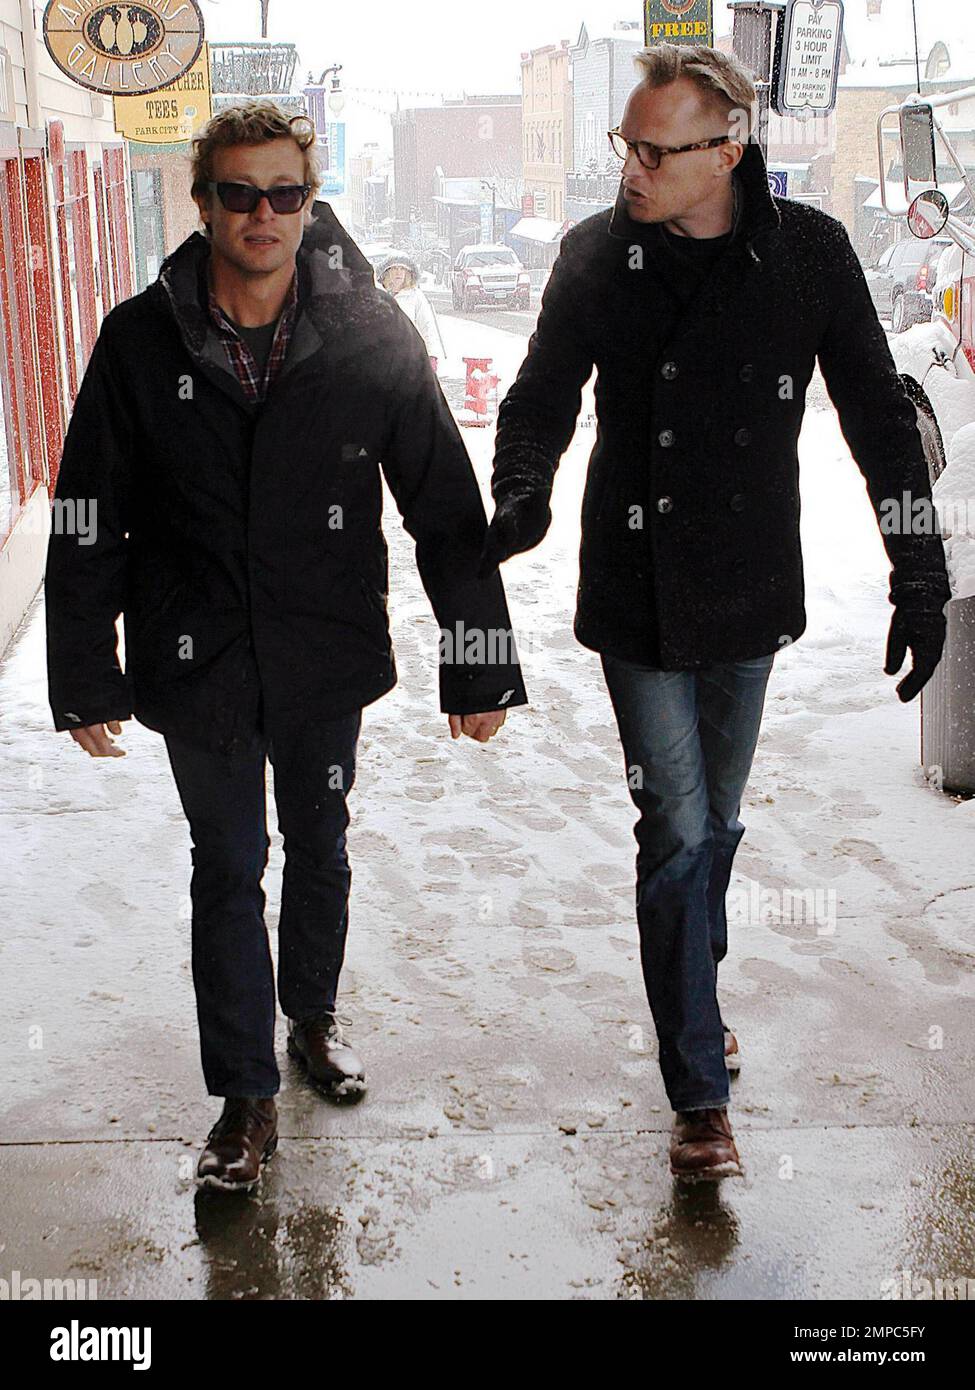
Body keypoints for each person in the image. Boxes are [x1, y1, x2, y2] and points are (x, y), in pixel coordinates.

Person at [480, 44, 950, 1182]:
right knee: (677, 832)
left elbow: (880, 423)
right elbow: (540, 393)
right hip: (635, 595)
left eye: (655, 150)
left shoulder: (810, 257)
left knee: (717, 830)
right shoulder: (596, 257)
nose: (632, 168)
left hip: (748, 590)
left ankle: (694, 980)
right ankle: (699, 1091)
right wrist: (524, 491)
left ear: (727, 150)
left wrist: (918, 574)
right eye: (626, 146)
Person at [45, 101, 527, 1193]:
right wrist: (84, 670)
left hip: (322, 651)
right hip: (194, 652)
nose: (262, 214)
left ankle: (311, 1018)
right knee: (227, 867)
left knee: (321, 843)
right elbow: (86, 509)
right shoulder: (138, 338)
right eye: (237, 193)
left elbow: (443, 504)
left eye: (284, 194)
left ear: (311, 202)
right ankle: (243, 1098)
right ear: (202, 198)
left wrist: (481, 656)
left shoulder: (371, 332)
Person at [377, 251, 448, 372]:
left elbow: (427, 326)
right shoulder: (378, 295)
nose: (398, 272)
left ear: (408, 273)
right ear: (387, 272)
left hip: (409, 358)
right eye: (394, 268)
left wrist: (432, 355)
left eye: (402, 269)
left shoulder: (415, 296)